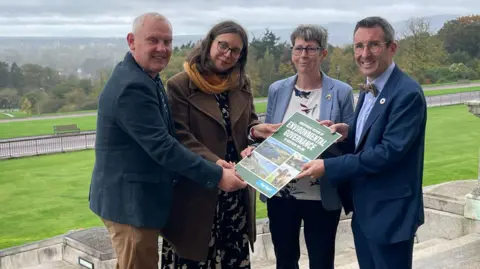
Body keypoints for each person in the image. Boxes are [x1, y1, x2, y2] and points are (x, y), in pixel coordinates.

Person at [88, 13, 247, 269]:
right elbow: (164, 146)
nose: (162, 49)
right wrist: (217, 174)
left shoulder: (146, 76)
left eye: (167, 42)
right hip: (131, 205)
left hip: (139, 201)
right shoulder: (133, 85)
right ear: (132, 41)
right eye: (153, 40)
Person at [297, 16, 427, 269]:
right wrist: (348, 131)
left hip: (390, 214)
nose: (364, 54)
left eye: (373, 45)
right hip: (365, 211)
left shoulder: (407, 93)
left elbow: (388, 152)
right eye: (359, 46)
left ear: (392, 48)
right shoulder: (371, 85)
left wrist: (328, 167)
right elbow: (371, 135)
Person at [160, 20, 281, 269]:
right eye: (223, 46)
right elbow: (180, 136)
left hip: (235, 194)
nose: (228, 55)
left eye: (235, 51)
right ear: (209, 44)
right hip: (197, 192)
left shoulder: (241, 83)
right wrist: (216, 165)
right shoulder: (180, 85)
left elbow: (246, 123)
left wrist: (257, 130)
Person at [251, 24, 355, 269]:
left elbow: (353, 142)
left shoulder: (341, 92)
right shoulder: (277, 89)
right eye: (298, 48)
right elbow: (272, 136)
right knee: (285, 260)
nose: (304, 55)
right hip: (281, 191)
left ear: (323, 54)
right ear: (291, 52)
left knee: (321, 261)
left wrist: (340, 136)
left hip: (322, 193)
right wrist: (255, 149)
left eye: (311, 48)